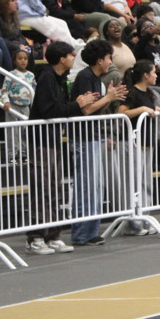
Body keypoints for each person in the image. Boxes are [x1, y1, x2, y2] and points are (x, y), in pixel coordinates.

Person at [26, 42, 95, 254]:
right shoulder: (47, 77)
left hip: (53, 140)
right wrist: (77, 104)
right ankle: (36, 237)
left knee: (54, 188)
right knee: (42, 188)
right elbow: (50, 110)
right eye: (71, 55)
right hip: (41, 141)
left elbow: (63, 108)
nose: (74, 58)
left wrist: (78, 104)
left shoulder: (61, 79)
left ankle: (53, 234)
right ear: (61, 58)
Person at [70, 39, 128, 246]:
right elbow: (86, 109)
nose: (110, 62)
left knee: (95, 185)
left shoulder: (96, 78)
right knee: (86, 185)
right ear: (99, 60)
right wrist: (109, 98)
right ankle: (81, 233)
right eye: (108, 58)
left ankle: (91, 231)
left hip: (93, 136)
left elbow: (96, 108)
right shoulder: (85, 77)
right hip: (83, 137)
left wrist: (110, 97)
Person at [117, 59, 160, 234]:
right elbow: (121, 113)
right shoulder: (132, 93)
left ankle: (145, 218)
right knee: (133, 184)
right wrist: (142, 109)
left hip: (147, 144)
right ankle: (133, 223)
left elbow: (149, 108)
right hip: (133, 144)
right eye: (153, 72)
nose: (156, 75)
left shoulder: (149, 93)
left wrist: (156, 110)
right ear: (145, 75)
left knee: (146, 184)